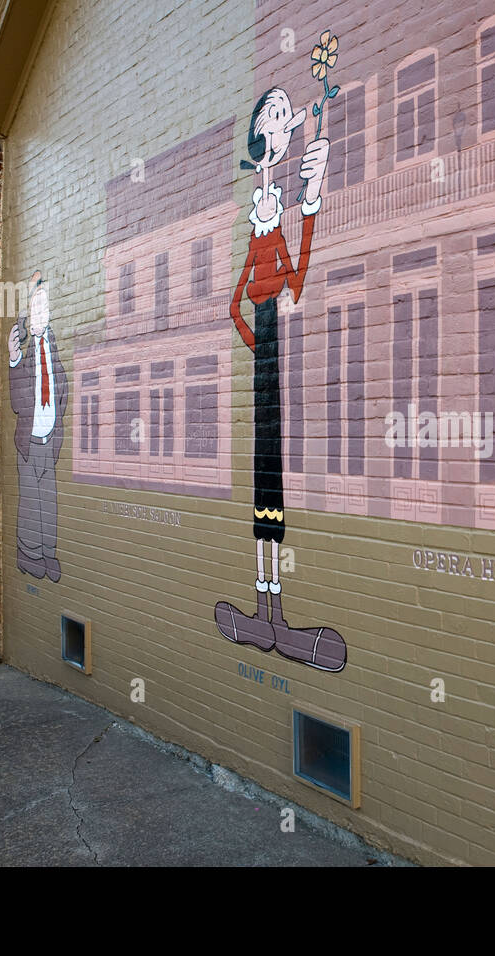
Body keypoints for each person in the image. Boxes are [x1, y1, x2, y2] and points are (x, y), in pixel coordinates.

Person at [213, 87, 347, 673]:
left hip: (277, 344)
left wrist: (311, 204)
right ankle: (265, 607)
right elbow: (236, 301)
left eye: (281, 113)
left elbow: (296, 280)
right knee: (265, 480)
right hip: (268, 349)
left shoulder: (278, 210)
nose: (279, 120)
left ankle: (275, 612)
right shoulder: (262, 211)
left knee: (273, 483)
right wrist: (261, 348)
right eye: (271, 114)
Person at [9, 272, 67, 583]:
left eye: (44, 308)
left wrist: (58, 428)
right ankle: (29, 555)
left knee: (49, 498)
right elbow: (18, 402)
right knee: (31, 499)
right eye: (35, 309)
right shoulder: (25, 354)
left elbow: (63, 390)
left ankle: (48, 552)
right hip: (29, 443)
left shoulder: (52, 349)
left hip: (49, 441)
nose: (40, 314)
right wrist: (14, 359)